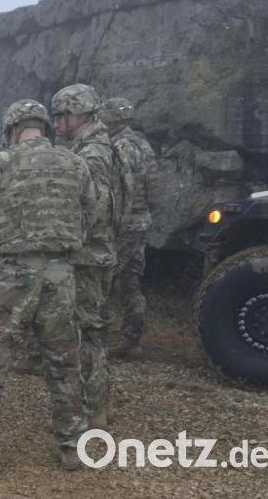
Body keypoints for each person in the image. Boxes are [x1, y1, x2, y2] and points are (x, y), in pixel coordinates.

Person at [0, 99, 95, 471]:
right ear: (44, 127)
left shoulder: (1, 163)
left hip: (14, 272)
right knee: (64, 360)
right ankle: (71, 445)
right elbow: (91, 212)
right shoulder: (76, 164)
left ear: (13, 129)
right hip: (61, 273)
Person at [51, 83, 121, 430]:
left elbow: (96, 207)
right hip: (95, 252)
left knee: (85, 333)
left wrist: (64, 233)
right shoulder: (97, 147)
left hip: (87, 256)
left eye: (61, 116)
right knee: (92, 331)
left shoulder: (91, 154)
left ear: (78, 114)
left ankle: (93, 413)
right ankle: (101, 404)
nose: (56, 123)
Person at [99, 97, 159, 359]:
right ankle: (132, 340)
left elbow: (124, 188)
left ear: (111, 119)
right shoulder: (143, 144)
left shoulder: (120, 146)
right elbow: (154, 187)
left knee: (103, 278)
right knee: (130, 281)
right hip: (142, 219)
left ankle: (96, 340)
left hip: (126, 222)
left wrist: (116, 221)